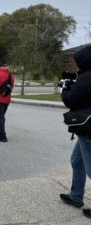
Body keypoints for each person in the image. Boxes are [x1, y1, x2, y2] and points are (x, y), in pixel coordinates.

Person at [60, 45, 91, 219]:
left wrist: (65, 89)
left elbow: (70, 100)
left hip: (88, 129)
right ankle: (76, 196)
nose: (77, 65)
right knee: (77, 161)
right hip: (86, 129)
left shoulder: (86, 78)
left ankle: (76, 196)